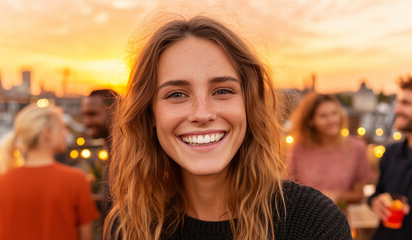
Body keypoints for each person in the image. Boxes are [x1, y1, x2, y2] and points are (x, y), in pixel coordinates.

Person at [104, 15, 352, 240]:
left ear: (249, 105)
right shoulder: (127, 227)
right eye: (177, 94)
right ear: (150, 114)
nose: (202, 114)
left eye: (222, 91)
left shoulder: (314, 223)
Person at [0, 105, 99, 240]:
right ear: (47, 133)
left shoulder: (1, 182)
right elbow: (86, 236)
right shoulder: (75, 179)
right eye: (63, 127)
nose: (66, 133)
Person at [287, 92, 373, 206]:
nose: (331, 120)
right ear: (311, 121)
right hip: (307, 219)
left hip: (340, 219)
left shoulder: (357, 148)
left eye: (334, 113)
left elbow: (359, 195)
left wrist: (338, 197)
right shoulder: (298, 148)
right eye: (323, 116)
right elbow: (290, 191)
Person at [368, 75, 412, 240]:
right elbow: (378, 192)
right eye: (398, 102)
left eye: (406, 103)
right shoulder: (391, 153)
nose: (397, 110)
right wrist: (375, 202)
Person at [81, 89, 119, 227]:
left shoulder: (127, 154)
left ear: (115, 111)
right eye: (84, 115)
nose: (86, 122)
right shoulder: (110, 150)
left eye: (92, 114)